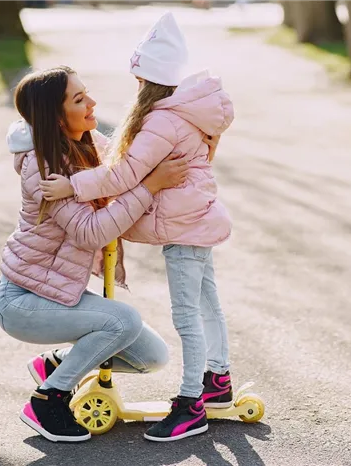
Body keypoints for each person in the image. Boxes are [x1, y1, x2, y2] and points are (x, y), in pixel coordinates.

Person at [38, 12, 235, 442]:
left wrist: (71, 185)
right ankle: (217, 381)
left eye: (139, 79)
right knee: (207, 306)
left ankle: (190, 405)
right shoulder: (186, 112)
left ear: (148, 79)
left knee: (187, 316)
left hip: (186, 228)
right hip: (197, 220)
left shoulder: (163, 119)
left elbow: (124, 175)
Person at [0, 65, 189, 443]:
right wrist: (151, 186)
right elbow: (90, 232)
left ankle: (56, 365)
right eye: (79, 99)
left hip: (57, 293)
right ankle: (48, 399)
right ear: (54, 114)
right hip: (23, 300)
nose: (92, 103)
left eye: (87, 93)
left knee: (151, 357)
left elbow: (125, 166)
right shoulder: (42, 167)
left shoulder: (86, 143)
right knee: (122, 322)